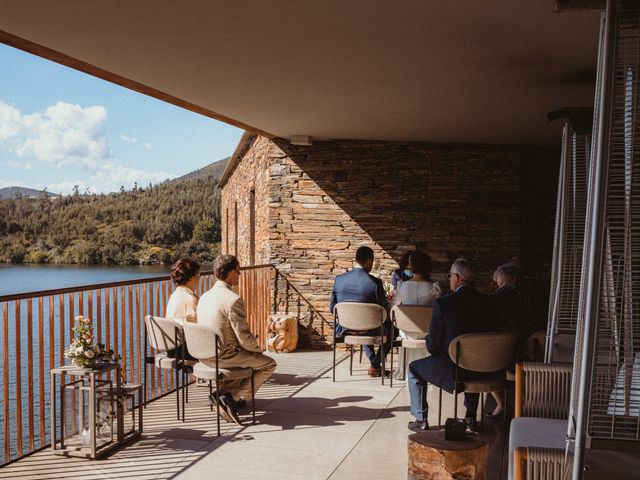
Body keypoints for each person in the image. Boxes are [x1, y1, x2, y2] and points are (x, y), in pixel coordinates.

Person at [407, 258, 495, 433]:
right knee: (474, 356)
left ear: (456, 277)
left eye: (450, 276)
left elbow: (432, 344)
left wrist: (434, 349)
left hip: (452, 368)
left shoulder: (445, 303)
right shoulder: (489, 302)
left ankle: (420, 418)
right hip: (485, 368)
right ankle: (470, 416)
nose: (449, 279)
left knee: (414, 369)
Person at [197, 254, 277, 423]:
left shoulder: (204, 297)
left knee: (248, 358)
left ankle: (221, 395)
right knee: (268, 364)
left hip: (204, 356)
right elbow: (244, 337)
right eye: (239, 271)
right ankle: (234, 397)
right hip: (225, 357)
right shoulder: (233, 300)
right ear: (231, 273)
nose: (240, 275)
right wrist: (258, 350)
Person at [486, 262, 546, 418]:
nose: (500, 288)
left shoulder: (509, 290)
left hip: (516, 351)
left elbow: (484, 304)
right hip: (541, 350)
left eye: (501, 284)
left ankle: (502, 404)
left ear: (512, 280)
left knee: (486, 359)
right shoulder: (537, 292)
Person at [330, 246, 393, 377]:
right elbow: (384, 311)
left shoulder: (339, 280)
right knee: (392, 330)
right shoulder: (375, 283)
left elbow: (332, 309)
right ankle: (375, 365)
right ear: (369, 261)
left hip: (344, 328)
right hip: (369, 329)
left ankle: (375, 365)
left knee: (366, 323)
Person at [391, 250, 442, 380]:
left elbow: (393, 308)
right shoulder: (434, 288)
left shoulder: (402, 286)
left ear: (411, 267)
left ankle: (405, 370)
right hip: (427, 333)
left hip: (407, 332)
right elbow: (441, 311)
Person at [166, 257, 200, 324]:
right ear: (191, 277)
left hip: (173, 334)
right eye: (197, 274)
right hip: (188, 334)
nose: (199, 277)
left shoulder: (173, 296)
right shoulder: (192, 300)